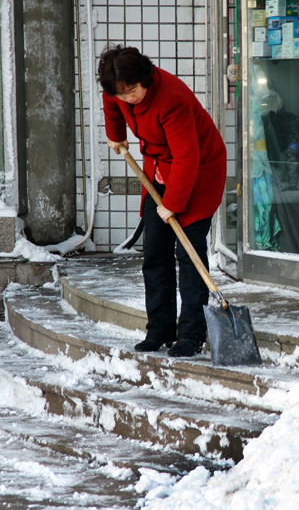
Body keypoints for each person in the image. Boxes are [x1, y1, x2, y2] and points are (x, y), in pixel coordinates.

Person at [97, 45, 226, 357]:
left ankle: (191, 334)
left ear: (146, 78)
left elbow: (187, 156)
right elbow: (111, 101)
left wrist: (174, 203)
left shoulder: (172, 99)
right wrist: (115, 134)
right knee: (155, 253)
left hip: (198, 171)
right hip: (159, 170)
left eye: (132, 91)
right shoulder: (119, 91)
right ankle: (160, 330)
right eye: (122, 93)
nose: (128, 98)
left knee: (188, 254)